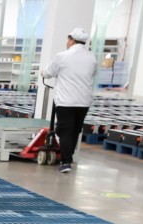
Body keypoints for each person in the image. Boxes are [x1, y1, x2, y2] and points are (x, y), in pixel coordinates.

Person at [42, 27, 97, 174]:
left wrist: (43, 73)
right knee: (75, 130)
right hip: (84, 101)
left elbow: (49, 72)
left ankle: (65, 162)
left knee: (65, 131)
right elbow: (92, 73)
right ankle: (68, 157)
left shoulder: (62, 56)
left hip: (66, 101)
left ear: (71, 40)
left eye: (68, 39)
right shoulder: (92, 57)